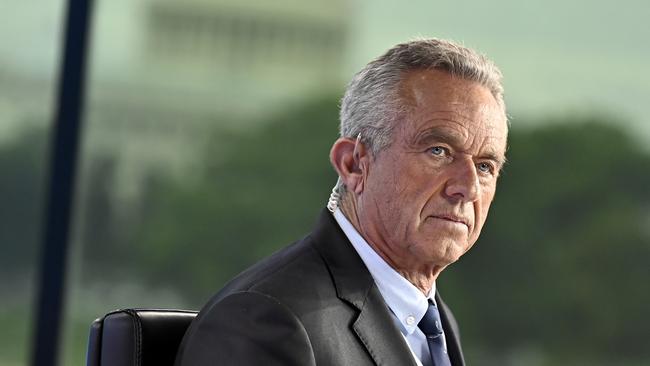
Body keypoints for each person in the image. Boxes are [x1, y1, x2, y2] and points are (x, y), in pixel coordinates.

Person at [175, 38, 508, 366]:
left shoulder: (435, 321)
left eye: (485, 167)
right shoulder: (264, 321)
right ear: (354, 164)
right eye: (438, 151)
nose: (468, 188)